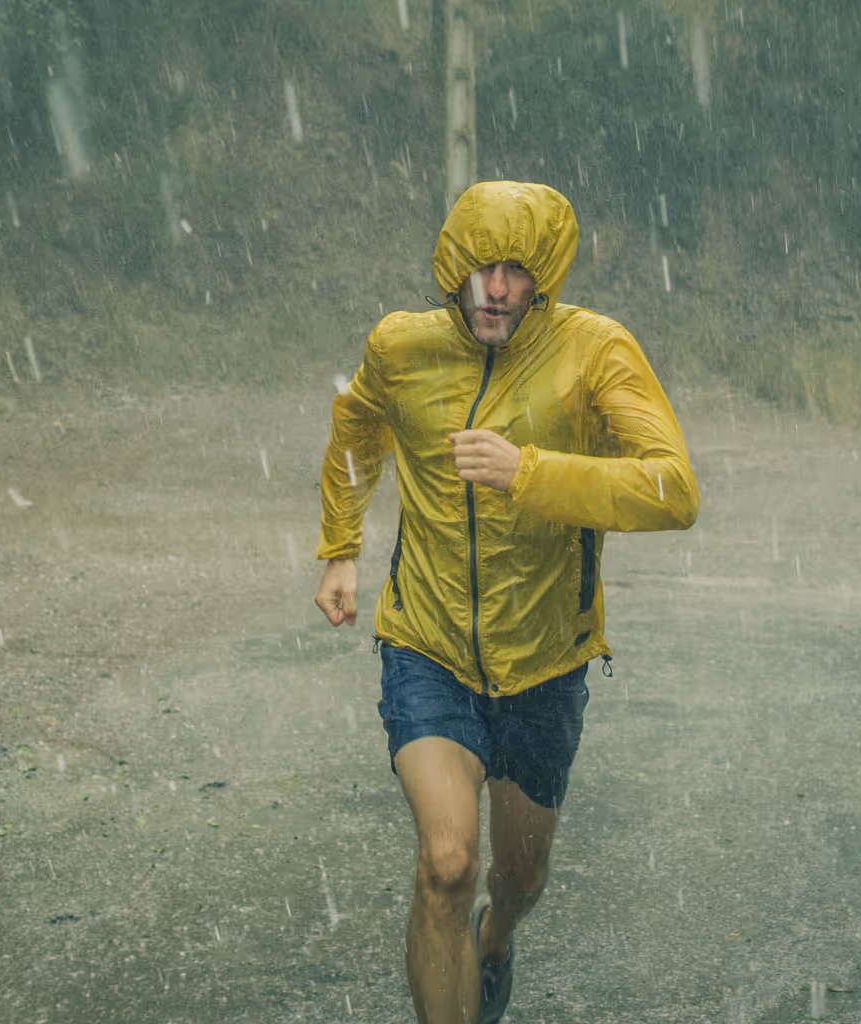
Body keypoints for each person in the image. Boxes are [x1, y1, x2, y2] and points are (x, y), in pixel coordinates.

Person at [313, 180, 699, 1024]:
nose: (498, 287)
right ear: (453, 265)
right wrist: (341, 547)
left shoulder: (594, 351)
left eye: (520, 271)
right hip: (428, 645)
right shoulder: (401, 347)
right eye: (484, 266)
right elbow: (357, 428)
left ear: (546, 278)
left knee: (516, 877)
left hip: (545, 662)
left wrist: (530, 473)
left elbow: (674, 489)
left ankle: (498, 938)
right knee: (445, 862)